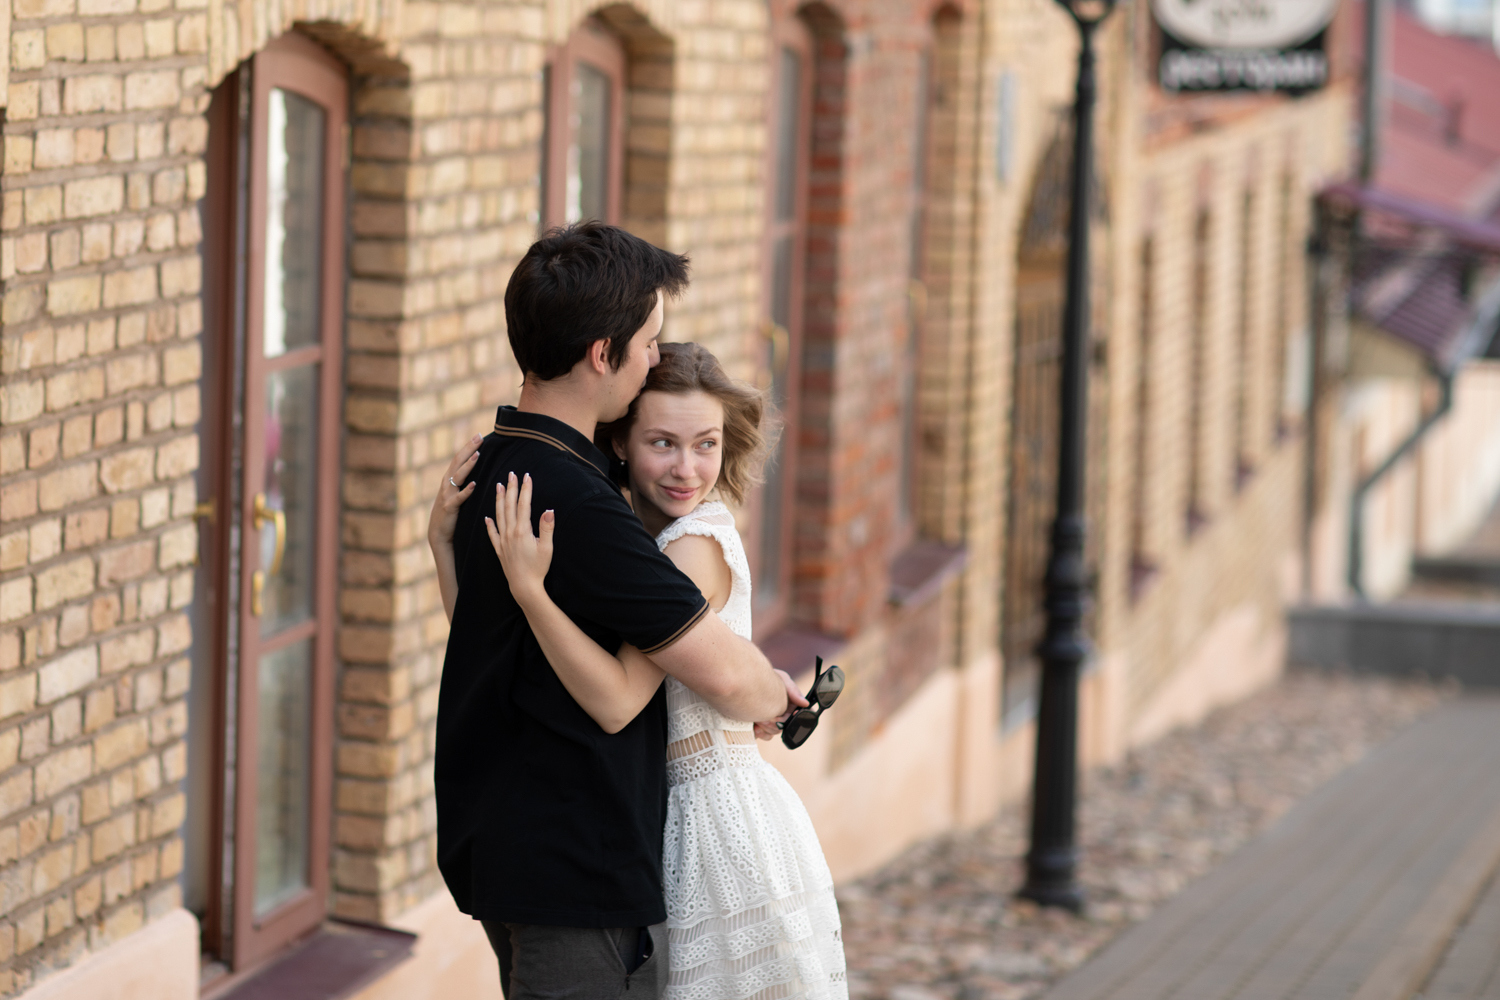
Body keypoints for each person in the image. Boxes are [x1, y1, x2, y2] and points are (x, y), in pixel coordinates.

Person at [430, 223, 799, 999]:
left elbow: (489, 646)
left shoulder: (496, 464)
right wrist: (783, 701)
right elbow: (726, 676)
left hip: (504, 852)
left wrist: (442, 547)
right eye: (647, 344)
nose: (654, 360)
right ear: (604, 353)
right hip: (573, 865)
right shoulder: (581, 505)